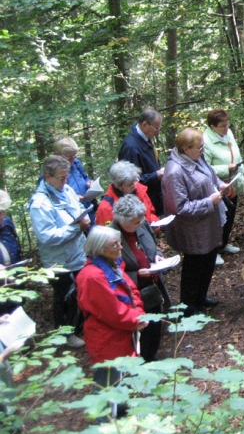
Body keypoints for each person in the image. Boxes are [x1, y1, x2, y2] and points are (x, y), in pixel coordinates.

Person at [76, 225, 147, 403]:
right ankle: (105, 423)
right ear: (99, 249)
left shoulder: (113, 264)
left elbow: (132, 291)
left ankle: (126, 419)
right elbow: (111, 312)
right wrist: (136, 319)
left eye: (119, 243)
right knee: (108, 385)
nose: (120, 248)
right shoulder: (91, 276)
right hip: (107, 339)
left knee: (126, 380)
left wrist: (139, 313)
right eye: (114, 245)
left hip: (123, 333)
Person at [162, 128, 228, 316]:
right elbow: (180, 207)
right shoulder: (174, 171)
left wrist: (220, 183)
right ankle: (189, 307)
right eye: (199, 148)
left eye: (202, 147)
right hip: (192, 229)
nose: (202, 151)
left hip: (208, 223)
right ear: (185, 149)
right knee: (194, 267)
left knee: (208, 262)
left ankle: (201, 298)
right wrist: (210, 201)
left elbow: (209, 174)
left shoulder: (197, 157)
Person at [28, 155, 90, 348]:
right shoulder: (39, 203)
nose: (65, 181)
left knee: (81, 292)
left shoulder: (67, 190)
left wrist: (83, 217)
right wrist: (76, 228)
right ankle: (65, 333)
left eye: (66, 177)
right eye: (61, 178)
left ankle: (80, 326)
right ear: (48, 177)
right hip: (57, 261)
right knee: (63, 297)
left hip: (77, 253)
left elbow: (77, 208)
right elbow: (47, 236)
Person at [110, 195, 171, 362]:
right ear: (122, 221)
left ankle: (151, 355)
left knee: (155, 323)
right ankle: (140, 360)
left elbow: (153, 246)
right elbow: (111, 272)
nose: (140, 224)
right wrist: (136, 275)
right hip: (133, 292)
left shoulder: (141, 224)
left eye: (140, 220)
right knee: (141, 328)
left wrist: (157, 256)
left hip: (152, 285)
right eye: (135, 222)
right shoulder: (111, 237)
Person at [203, 109, 244, 266]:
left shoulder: (229, 134)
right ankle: (213, 250)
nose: (226, 128)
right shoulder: (205, 141)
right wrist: (226, 168)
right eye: (222, 125)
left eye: (227, 124)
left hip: (232, 182)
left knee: (230, 215)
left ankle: (223, 243)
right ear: (213, 126)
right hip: (217, 186)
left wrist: (239, 171)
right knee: (217, 219)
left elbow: (237, 154)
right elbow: (204, 168)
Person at [118, 108, 165, 216]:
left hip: (155, 197)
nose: (158, 132)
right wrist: (155, 175)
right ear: (145, 125)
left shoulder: (145, 139)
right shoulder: (131, 147)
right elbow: (130, 181)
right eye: (156, 128)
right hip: (144, 202)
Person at [96, 160, 159, 227]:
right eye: (130, 184)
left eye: (135, 181)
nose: (134, 186)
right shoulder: (106, 207)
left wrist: (154, 221)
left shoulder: (139, 190)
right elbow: (109, 234)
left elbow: (151, 212)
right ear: (119, 185)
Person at [52, 136, 96, 222]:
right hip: (72, 215)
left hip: (88, 208)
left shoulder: (76, 163)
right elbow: (53, 198)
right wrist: (73, 198)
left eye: (74, 156)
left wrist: (89, 182)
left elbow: (85, 177)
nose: (72, 160)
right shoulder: (52, 173)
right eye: (69, 158)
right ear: (57, 154)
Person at [0, 191, 22, 267]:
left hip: (13, 272)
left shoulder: (7, 222)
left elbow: (15, 250)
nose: (1, 217)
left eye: (3, 212)